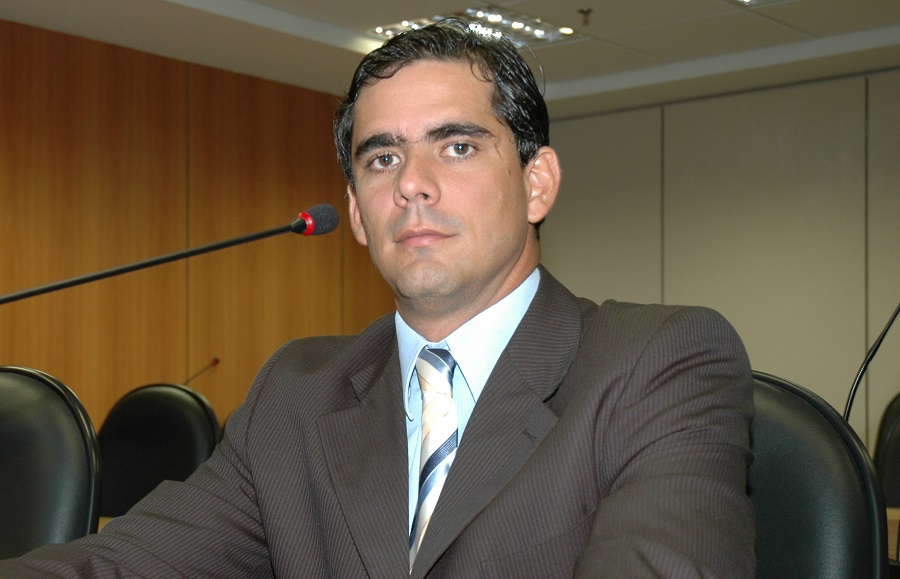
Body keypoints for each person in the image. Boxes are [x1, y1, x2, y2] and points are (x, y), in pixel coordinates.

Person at [1, 17, 754, 577]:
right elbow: (120, 564)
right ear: (358, 215)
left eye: (457, 146)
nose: (412, 184)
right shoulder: (297, 394)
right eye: (383, 157)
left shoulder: (658, 363)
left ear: (537, 183)